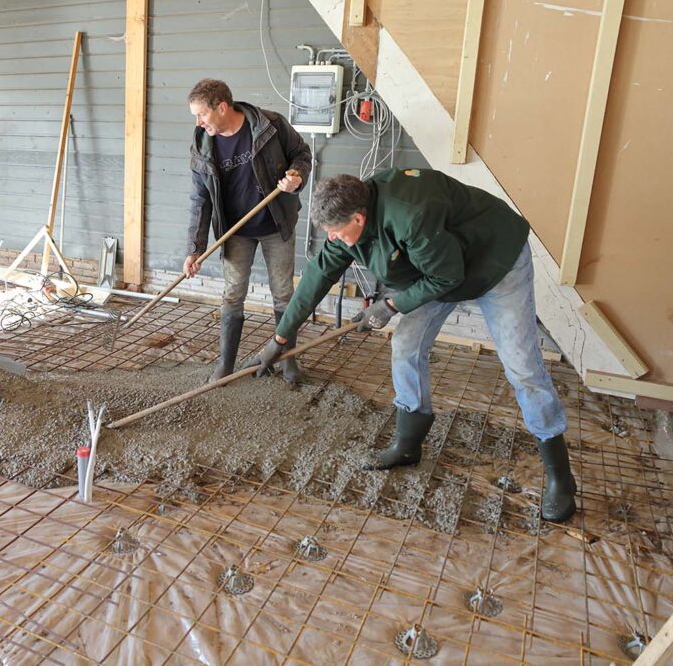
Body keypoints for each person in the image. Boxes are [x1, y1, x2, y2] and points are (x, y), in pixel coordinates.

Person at [253, 169, 576, 522]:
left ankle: (560, 477)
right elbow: (318, 274)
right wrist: (280, 339)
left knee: (522, 366)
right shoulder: (350, 214)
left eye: (335, 232)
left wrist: (390, 305)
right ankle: (407, 446)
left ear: (358, 218)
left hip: (493, 261)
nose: (331, 238)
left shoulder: (410, 216)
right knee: (406, 344)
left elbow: (447, 276)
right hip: (438, 267)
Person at [185, 79, 311, 384]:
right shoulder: (202, 144)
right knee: (233, 294)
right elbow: (200, 200)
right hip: (235, 231)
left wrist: (296, 176)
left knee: (283, 293)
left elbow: (302, 155)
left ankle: (288, 360)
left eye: (201, 115)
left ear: (222, 107)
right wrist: (195, 248)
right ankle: (226, 365)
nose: (199, 123)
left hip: (275, 223)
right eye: (196, 117)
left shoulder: (270, 125)